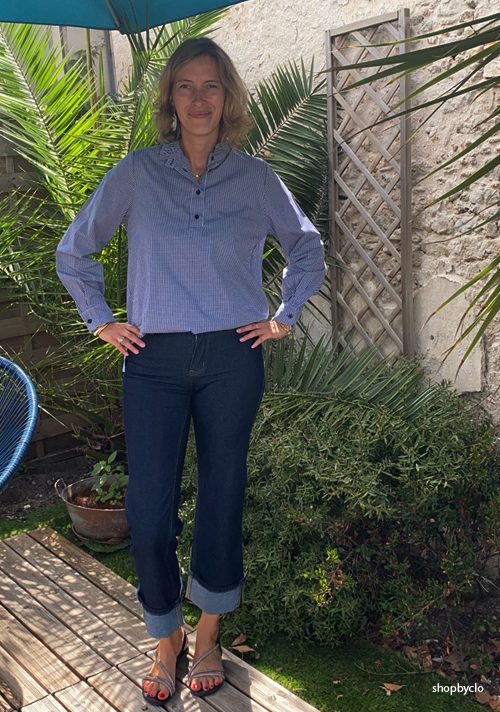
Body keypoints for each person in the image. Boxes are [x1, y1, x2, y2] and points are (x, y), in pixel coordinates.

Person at [56, 37, 325, 704]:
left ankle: (207, 633)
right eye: (185, 85)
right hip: (154, 360)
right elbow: (75, 250)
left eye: (210, 85)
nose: (198, 98)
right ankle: (165, 633)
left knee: (221, 495)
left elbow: (306, 245)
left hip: (234, 358)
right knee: (148, 512)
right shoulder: (137, 173)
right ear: (170, 98)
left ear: (227, 96)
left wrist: (285, 314)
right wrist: (101, 320)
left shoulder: (256, 178)